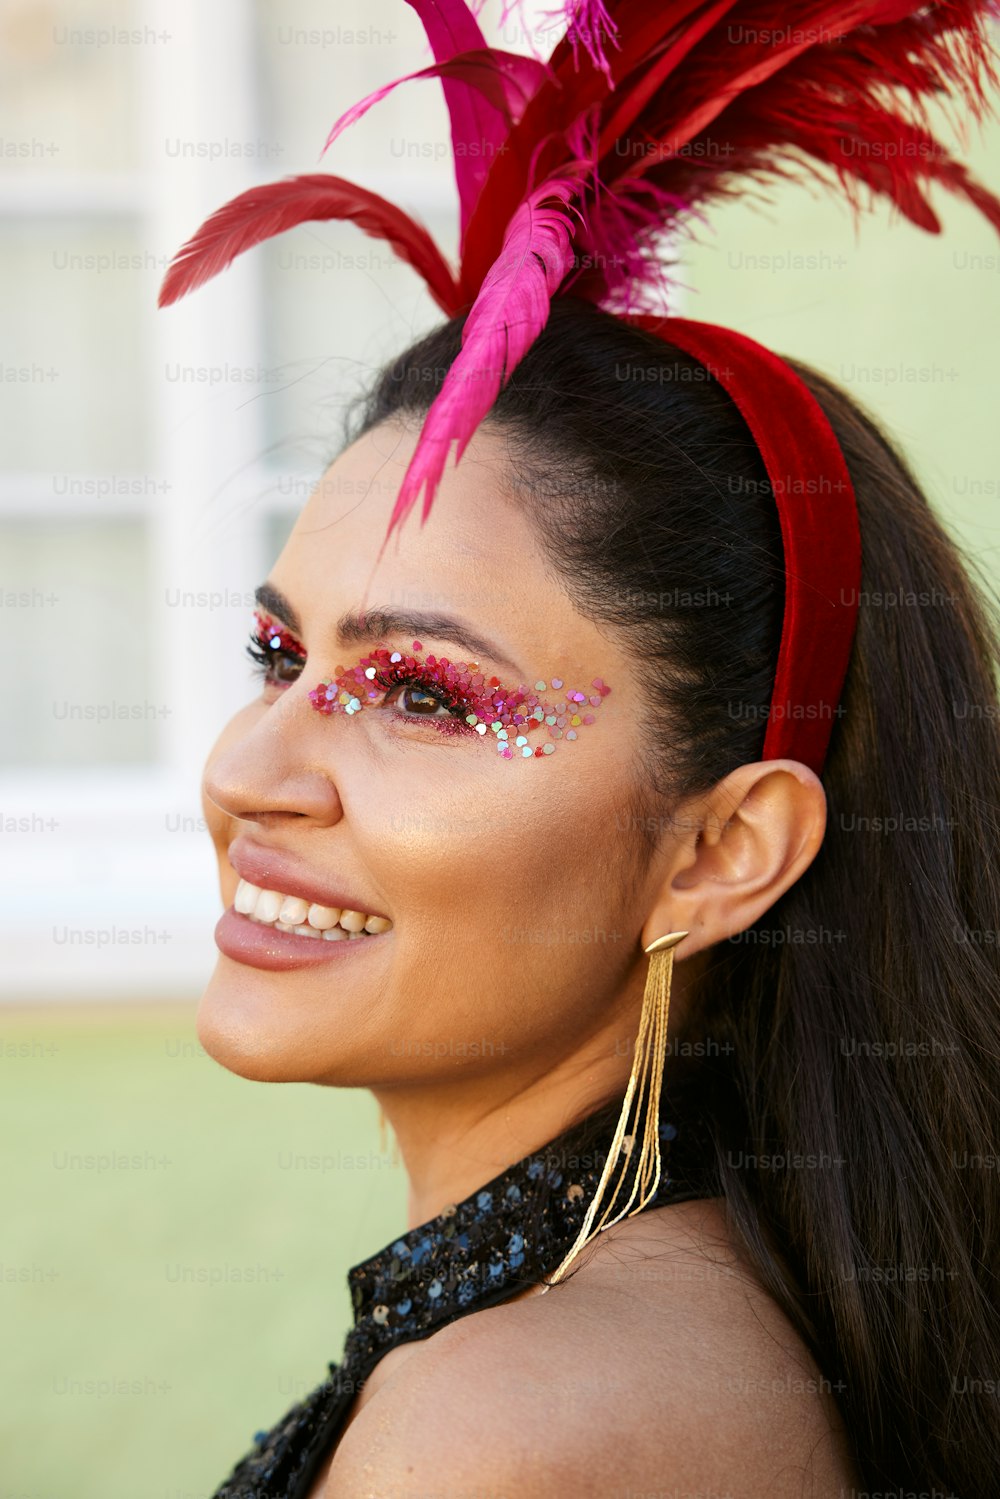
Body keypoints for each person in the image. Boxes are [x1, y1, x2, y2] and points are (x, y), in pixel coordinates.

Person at [159, 3, 1000, 1495]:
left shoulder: (507, 1425)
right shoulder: (686, 1322)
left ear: (718, 854)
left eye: (422, 694)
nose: (248, 773)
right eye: (282, 656)